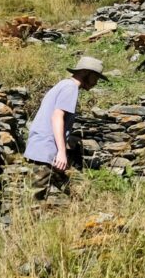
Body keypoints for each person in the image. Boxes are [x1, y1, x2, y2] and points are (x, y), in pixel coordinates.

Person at [24, 55, 105, 200]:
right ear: (87, 73)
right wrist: (61, 152)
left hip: (44, 149)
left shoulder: (63, 85)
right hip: (47, 151)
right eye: (96, 78)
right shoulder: (70, 88)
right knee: (34, 201)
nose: (96, 83)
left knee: (82, 192)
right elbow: (57, 117)